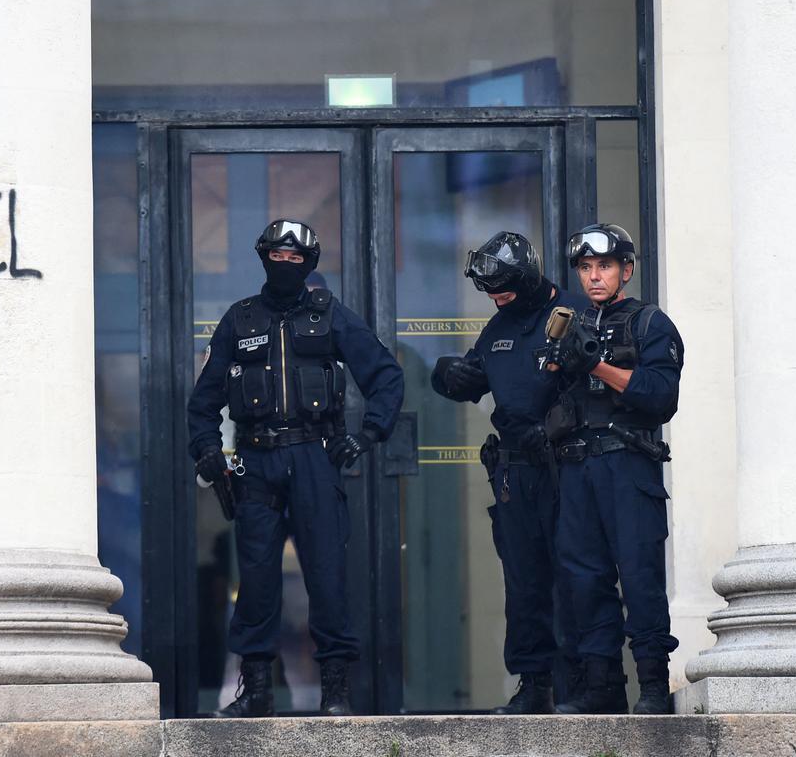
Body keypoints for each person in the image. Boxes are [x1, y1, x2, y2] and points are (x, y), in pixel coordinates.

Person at [187, 219, 404, 718]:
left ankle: (336, 693)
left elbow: (385, 375)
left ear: (310, 264)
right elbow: (203, 402)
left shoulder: (330, 317)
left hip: (313, 457)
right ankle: (256, 691)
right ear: (263, 257)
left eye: (295, 259)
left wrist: (368, 434)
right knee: (257, 581)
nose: (285, 265)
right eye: (277, 257)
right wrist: (207, 450)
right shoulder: (239, 320)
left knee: (326, 578)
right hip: (257, 461)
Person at [430, 232, 587, 714]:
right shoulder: (498, 327)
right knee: (524, 581)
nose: (496, 300)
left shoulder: (569, 316)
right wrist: (446, 375)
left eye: (503, 291)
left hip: (567, 467)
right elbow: (473, 378)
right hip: (515, 470)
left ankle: (583, 684)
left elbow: (596, 382)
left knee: (576, 576)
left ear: (527, 279)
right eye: (490, 294)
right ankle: (533, 684)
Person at [542, 223, 683, 715]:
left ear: (625, 269)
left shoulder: (650, 323)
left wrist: (596, 363)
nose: (594, 277)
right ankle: (602, 687)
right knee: (584, 578)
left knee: (640, 576)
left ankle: (651, 686)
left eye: (603, 266)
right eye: (585, 268)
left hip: (627, 463)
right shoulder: (568, 321)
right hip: (578, 467)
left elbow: (660, 398)